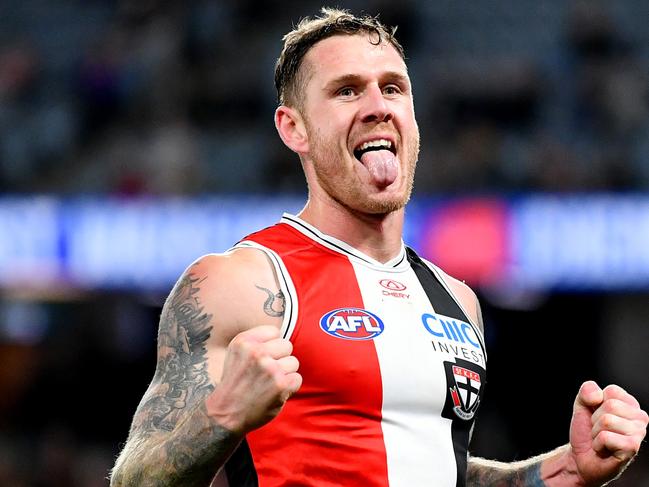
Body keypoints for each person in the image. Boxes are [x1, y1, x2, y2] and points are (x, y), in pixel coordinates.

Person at [110, 8, 648, 487]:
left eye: (393, 88)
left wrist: (564, 471)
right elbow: (134, 480)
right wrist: (222, 416)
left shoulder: (457, 301)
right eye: (346, 90)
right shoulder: (240, 284)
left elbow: (439, 471)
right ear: (293, 127)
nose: (377, 106)